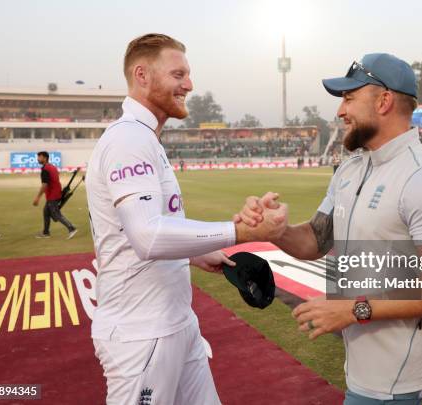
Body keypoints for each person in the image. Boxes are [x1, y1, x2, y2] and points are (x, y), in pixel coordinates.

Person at [237, 53, 422, 404]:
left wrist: (352, 309)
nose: (340, 111)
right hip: (362, 363)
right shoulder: (350, 170)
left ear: (384, 101)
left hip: (397, 377)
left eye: (349, 97)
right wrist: (277, 230)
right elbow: (316, 238)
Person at [85, 33, 286, 405]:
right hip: (141, 333)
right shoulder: (129, 140)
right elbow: (147, 236)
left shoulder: (146, 139)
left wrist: (197, 254)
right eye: (178, 74)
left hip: (177, 324)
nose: (189, 84)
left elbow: (142, 231)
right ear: (142, 75)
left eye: (188, 74)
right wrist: (238, 231)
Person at [33, 151, 78, 239]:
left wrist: (38, 197)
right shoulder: (52, 167)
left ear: (45, 158)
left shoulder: (45, 169)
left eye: (40, 157)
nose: (38, 159)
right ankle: (46, 232)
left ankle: (71, 228)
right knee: (46, 212)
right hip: (57, 193)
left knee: (56, 214)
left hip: (52, 195)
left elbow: (45, 184)